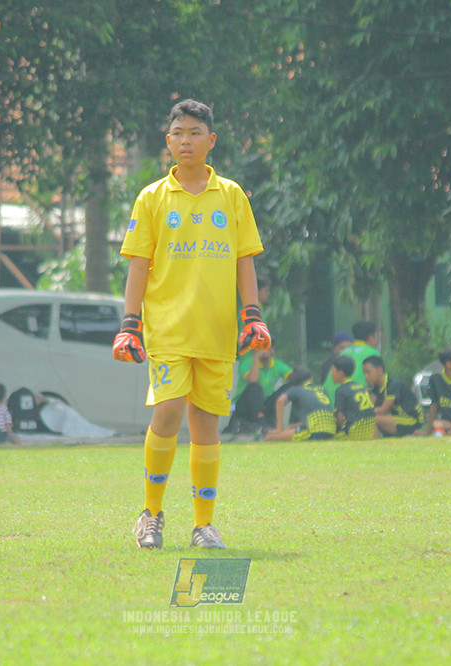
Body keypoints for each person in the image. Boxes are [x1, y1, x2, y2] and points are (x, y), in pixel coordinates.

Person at [114, 99, 269, 550]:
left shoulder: (233, 196)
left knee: (206, 425)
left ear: (211, 140)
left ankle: (204, 524)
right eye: (178, 133)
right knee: (168, 411)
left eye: (195, 132)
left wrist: (252, 314)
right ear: (168, 142)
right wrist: (130, 323)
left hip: (218, 331)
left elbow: (245, 260)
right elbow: (138, 265)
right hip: (167, 329)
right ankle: (151, 515)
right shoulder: (152, 198)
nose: (186, 140)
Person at [224, 347, 292, 435]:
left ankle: (273, 422)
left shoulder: (277, 364)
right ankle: (262, 421)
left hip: (264, 404)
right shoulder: (247, 363)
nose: (267, 351)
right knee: (255, 387)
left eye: (270, 347)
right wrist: (256, 358)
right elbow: (253, 380)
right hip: (245, 405)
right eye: (263, 348)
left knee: (291, 387)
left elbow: (296, 378)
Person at [264, 367, 337, 441]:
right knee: (289, 430)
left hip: (314, 431)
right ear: (310, 378)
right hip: (331, 430)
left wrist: (279, 429)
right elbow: (317, 417)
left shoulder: (296, 389)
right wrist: (294, 426)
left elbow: (280, 401)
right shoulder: (322, 389)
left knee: (270, 438)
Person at [363, 355, 422, 438]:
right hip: (397, 419)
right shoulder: (375, 388)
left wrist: (361, 411)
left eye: (368, 372)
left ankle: (375, 446)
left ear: (380, 370)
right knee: (368, 418)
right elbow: (371, 407)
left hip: (412, 419)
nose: (366, 376)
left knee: (373, 419)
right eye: (364, 373)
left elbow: (383, 410)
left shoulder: (392, 384)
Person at [330, 356, 376, 440]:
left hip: (354, 432)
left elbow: (339, 420)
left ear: (340, 373)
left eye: (333, 371)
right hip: (369, 430)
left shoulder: (341, 390)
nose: (331, 374)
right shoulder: (361, 387)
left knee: (328, 439)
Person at [320, 331, 354, 402]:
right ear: (334, 349)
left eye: (349, 348)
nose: (346, 351)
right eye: (342, 348)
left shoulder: (355, 362)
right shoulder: (328, 365)